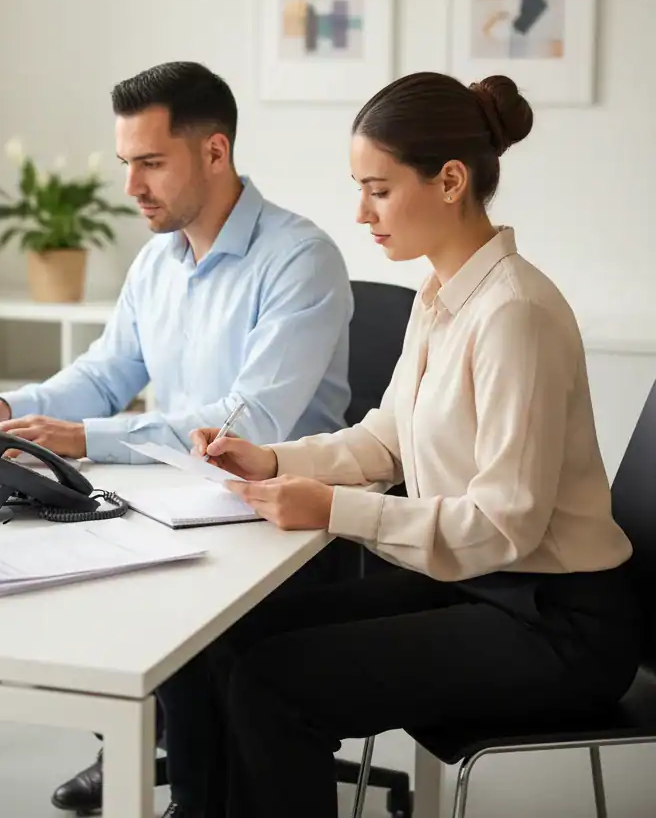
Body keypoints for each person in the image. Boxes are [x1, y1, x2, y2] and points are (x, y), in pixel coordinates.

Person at [153, 71, 642, 818]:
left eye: (378, 189)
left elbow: (504, 525)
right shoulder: (442, 294)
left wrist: (332, 510)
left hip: (558, 623)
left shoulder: (516, 315)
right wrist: (275, 459)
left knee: (274, 683)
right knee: (223, 640)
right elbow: (389, 437)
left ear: (450, 181)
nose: (360, 212)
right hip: (482, 584)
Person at [0, 61, 355, 813]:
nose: (132, 188)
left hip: (285, 528)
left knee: (185, 624)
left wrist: (86, 438)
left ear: (215, 152)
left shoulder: (300, 258)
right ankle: (164, 765)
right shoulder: (159, 260)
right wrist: (2, 406)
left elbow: (249, 420)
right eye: (126, 163)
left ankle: (196, 785)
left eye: (151, 163)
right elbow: (106, 372)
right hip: (181, 504)